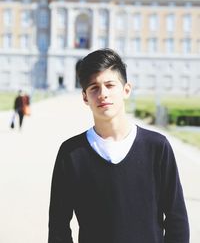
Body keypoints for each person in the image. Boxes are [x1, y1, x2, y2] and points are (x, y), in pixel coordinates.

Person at [48, 48, 189, 243]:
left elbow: (177, 219)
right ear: (84, 97)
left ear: (126, 90)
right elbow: (58, 226)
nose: (103, 94)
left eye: (110, 85)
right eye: (94, 88)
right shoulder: (71, 153)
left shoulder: (157, 147)